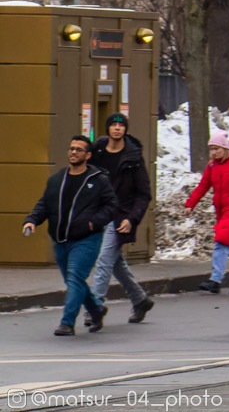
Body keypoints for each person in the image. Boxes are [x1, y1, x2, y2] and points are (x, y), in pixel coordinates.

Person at [22, 135, 118, 336]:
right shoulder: (57, 179)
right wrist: (31, 220)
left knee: (75, 277)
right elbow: (44, 204)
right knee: (74, 281)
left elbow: (111, 206)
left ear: (88, 155)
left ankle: (67, 323)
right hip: (61, 239)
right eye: (71, 148)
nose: (74, 152)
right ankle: (96, 310)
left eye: (79, 149)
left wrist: (93, 222)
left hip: (86, 239)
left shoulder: (98, 180)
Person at [88, 113, 155, 325]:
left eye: (121, 125)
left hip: (120, 217)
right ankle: (140, 300)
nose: (117, 128)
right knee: (115, 263)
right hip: (99, 214)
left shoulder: (133, 157)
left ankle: (94, 308)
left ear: (125, 129)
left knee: (104, 261)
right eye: (113, 125)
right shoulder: (97, 153)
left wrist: (131, 219)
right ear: (107, 128)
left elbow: (143, 194)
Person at [184, 131, 229, 294]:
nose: (213, 152)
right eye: (211, 149)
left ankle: (215, 279)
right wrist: (190, 204)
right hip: (222, 210)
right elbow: (203, 186)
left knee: (222, 241)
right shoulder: (213, 165)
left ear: (225, 148)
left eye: (216, 149)